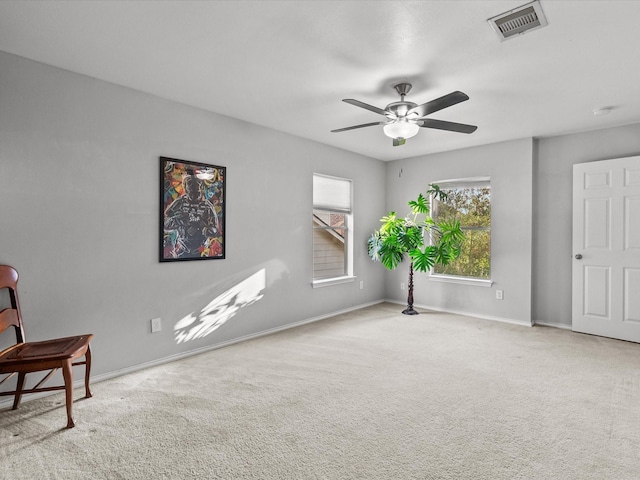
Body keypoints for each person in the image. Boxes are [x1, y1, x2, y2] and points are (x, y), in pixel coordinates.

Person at [164, 175, 221, 258]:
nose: (194, 195)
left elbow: (215, 231)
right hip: (182, 249)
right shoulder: (180, 203)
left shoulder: (207, 206)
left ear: (201, 189)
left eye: (197, 192)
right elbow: (165, 223)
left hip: (201, 250)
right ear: (186, 190)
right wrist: (179, 221)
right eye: (191, 192)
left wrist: (205, 228)